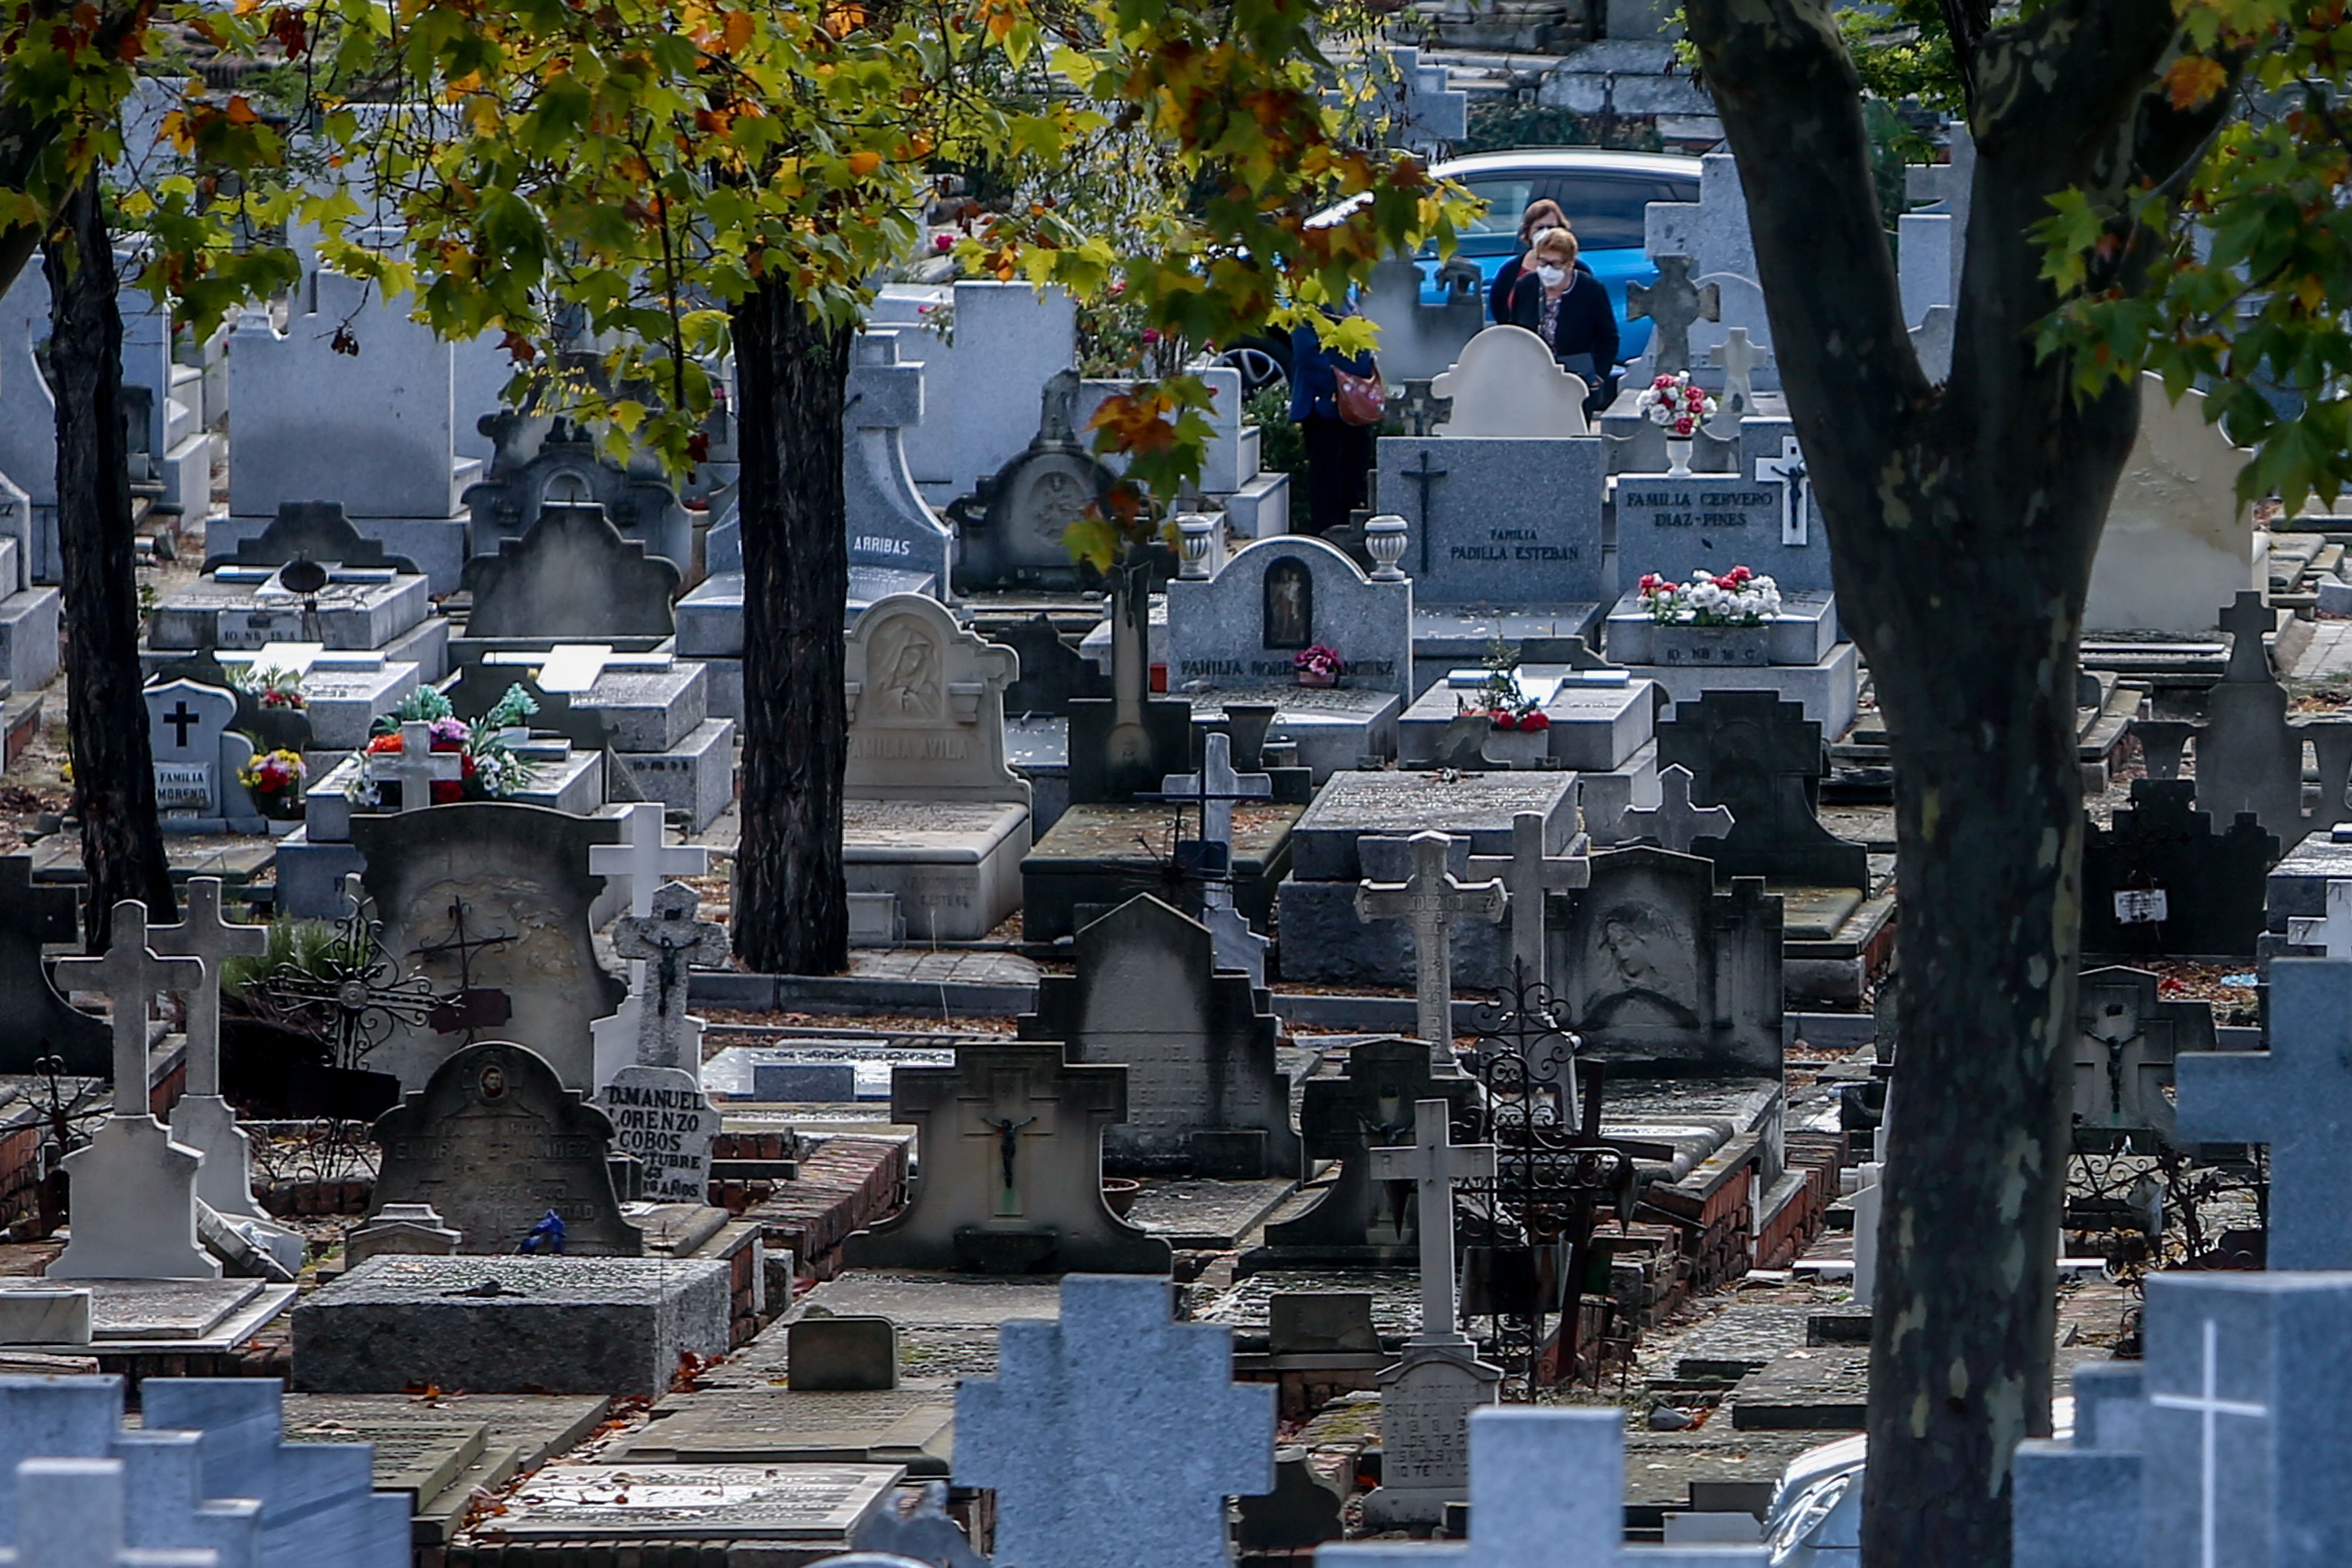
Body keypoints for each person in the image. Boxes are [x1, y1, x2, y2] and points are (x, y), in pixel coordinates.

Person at [1507, 225, 1620, 415]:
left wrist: (1599, 375)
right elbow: (1515, 330)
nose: (1547, 270)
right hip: (1532, 376)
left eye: (1555, 264)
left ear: (1570, 264)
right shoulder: (1526, 287)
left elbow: (1608, 337)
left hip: (1576, 378)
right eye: (1542, 263)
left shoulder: (1591, 290)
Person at [1288, 310, 1376, 536]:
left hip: (1355, 405)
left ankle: (1351, 531)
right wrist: (1338, 386)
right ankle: (1328, 535)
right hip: (1324, 406)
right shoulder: (1309, 303)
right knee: (1327, 478)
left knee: (1354, 474)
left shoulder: (1347, 300)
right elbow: (1308, 354)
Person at [1487, 199, 1568, 326]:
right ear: (1528, 231)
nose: (1545, 233)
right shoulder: (1511, 271)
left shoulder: (1578, 270)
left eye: (1551, 228)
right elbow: (1499, 308)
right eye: (1540, 228)